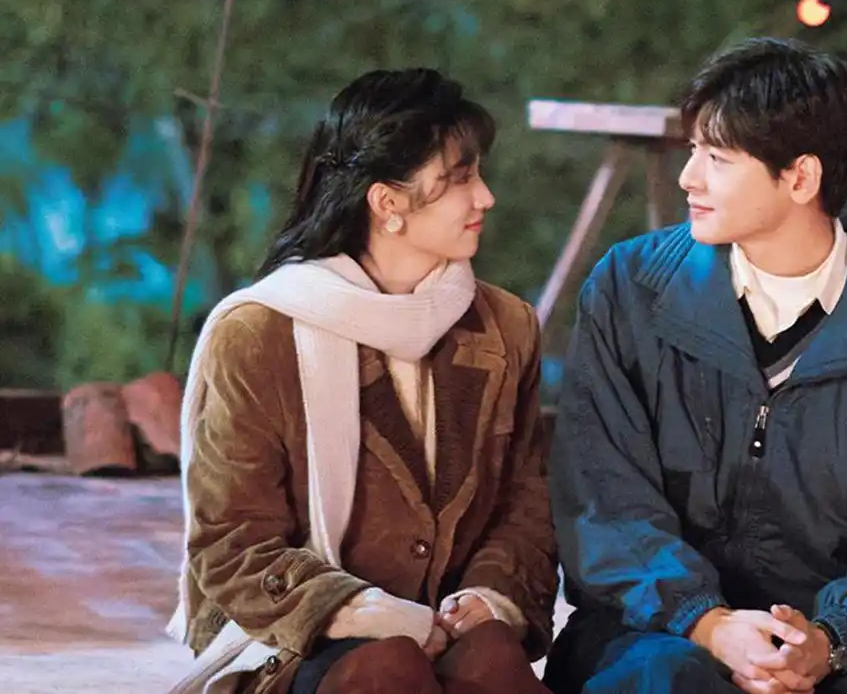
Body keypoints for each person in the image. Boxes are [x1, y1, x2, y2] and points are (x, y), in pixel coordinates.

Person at [543, 38, 847, 694]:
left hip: (826, 647)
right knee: (661, 678)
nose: (689, 177)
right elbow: (603, 501)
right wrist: (709, 623)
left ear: (801, 178)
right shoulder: (630, 291)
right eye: (693, 150)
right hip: (658, 632)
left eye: (717, 158)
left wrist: (829, 640)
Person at [165, 69, 558, 694]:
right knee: (387, 668)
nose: (485, 197)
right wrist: (369, 612)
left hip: (452, 632)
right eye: (460, 178)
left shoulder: (505, 327)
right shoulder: (260, 332)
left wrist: (489, 597)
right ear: (387, 203)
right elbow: (233, 542)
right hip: (299, 640)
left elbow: (526, 504)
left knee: (493, 658)